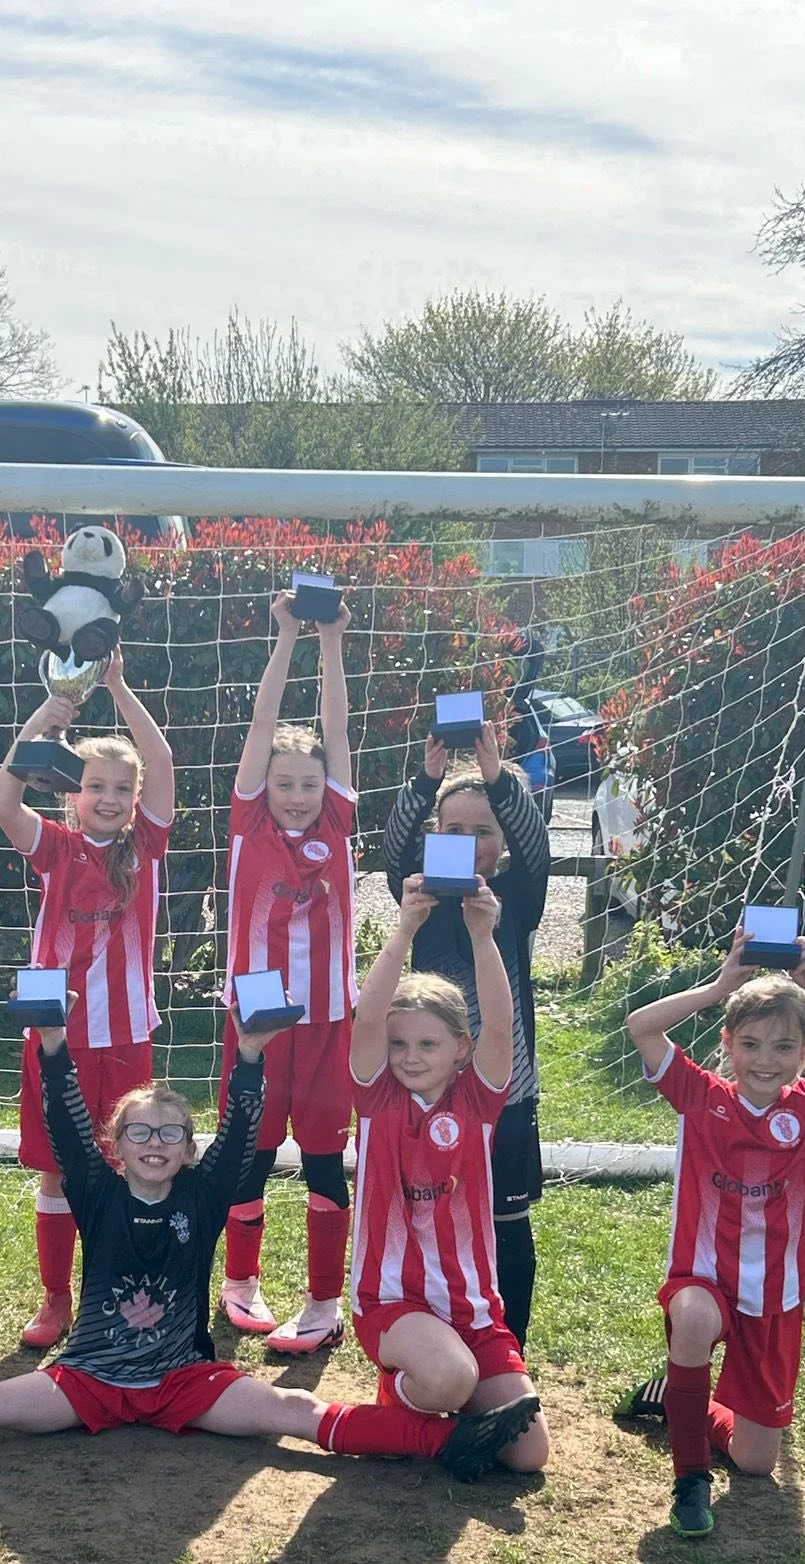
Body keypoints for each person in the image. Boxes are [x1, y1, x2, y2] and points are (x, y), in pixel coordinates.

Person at [0, 1003, 540, 1480]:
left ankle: (456, 1443)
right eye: (140, 1132)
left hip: (188, 1380)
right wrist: (51, 1048)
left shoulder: (208, 1190)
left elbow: (246, 1127)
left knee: (297, 1414)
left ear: (190, 1149)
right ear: (117, 1148)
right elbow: (66, 1122)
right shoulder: (95, 1187)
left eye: (173, 1133)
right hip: (92, 1379)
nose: (156, 1142)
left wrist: (251, 1056)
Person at [620, 929, 805, 1538]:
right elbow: (641, 1025)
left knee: (755, 1461)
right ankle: (690, 1479)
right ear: (728, 1045)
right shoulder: (699, 1096)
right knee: (691, 1321)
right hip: (703, 1279)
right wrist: (720, 987)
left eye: (782, 1047)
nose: (765, 1060)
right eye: (750, 1044)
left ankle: (675, 1400)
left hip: (776, 1296)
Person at [0, 649, 174, 1348]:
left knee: (131, 1166)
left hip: (126, 1034)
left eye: (121, 789)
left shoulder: (146, 845)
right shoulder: (56, 846)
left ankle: (119, 1292)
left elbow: (158, 758)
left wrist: (121, 687)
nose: (108, 798)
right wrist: (53, 712)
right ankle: (55, 1299)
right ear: (73, 791)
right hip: (56, 1036)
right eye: (95, 785)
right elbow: (4, 800)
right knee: (60, 1171)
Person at [346, 873, 552, 1475]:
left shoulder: (478, 1100)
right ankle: (404, 1402)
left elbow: (500, 1017)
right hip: (393, 1301)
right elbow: (365, 1023)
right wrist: (404, 928)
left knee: (529, 1455)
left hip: (473, 1307)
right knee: (450, 1379)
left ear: (461, 1049)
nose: (410, 1056)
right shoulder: (377, 1098)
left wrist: (484, 937)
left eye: (428, 1045)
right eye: (400, 1044)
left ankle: (439, 1409)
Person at [381, 715, 551, 1342]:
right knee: (430, 1212)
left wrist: (498, 778)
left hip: (506, 1090)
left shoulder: (515, 895)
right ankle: (436, 1328)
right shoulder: (420, 899)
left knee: (506, 1223)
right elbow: (392, 848)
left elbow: (538, 849)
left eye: (484, 832)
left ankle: (512, 1348)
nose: (470, 842)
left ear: (501, 844)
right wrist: (426, 781)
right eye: (453, 831)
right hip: (428, 1086)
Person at [218, 588, 357, 1355]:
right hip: (259, 1022)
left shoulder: (336, 818)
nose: (298, 795)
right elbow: (266, 727)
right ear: (264, 790)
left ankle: (325, 1300)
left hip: (330, 1021)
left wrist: (330, 643)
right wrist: (284, 640)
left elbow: (332, 730)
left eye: (307, 783)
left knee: (326, 1159)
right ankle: (239, 1282)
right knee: (252, 1151)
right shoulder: (249, 824)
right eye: (285, 784)